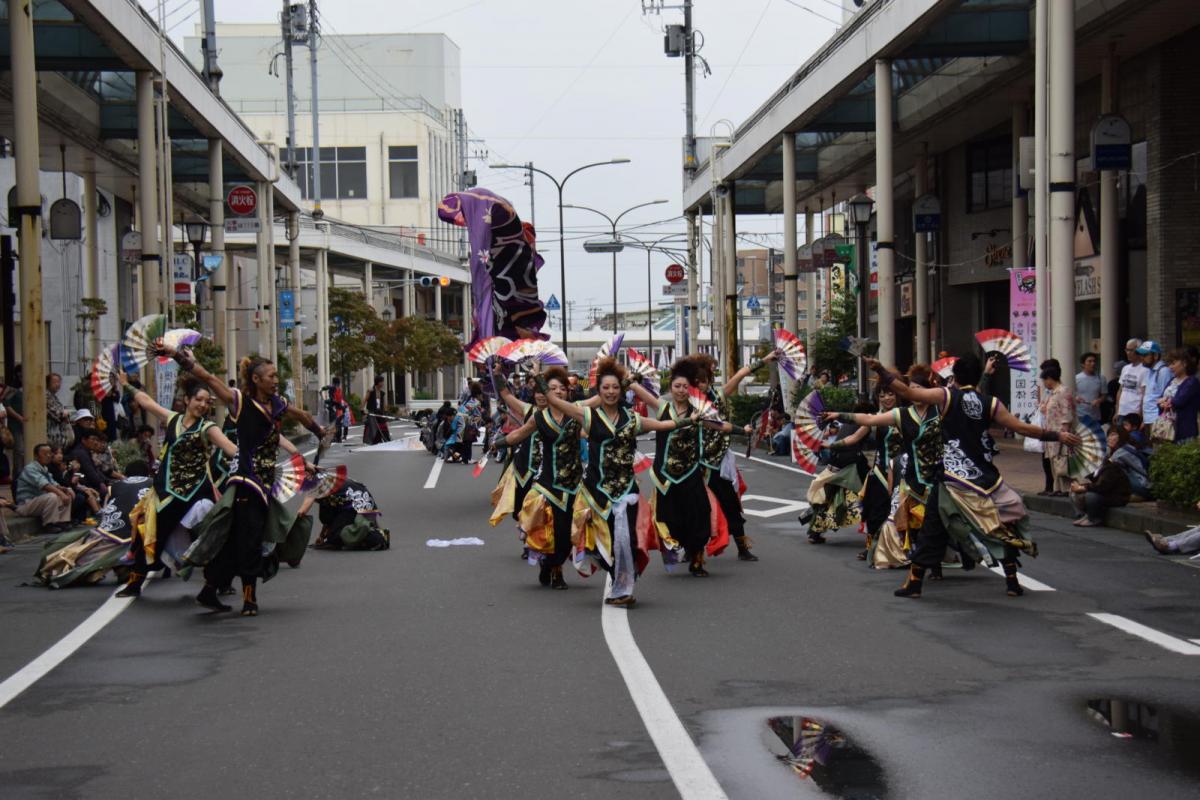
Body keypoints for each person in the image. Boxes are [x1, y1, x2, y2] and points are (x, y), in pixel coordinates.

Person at [866, 354, 1080, 599]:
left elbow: (910, 393)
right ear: (979, 376)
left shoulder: (946, 396)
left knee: (931, 529)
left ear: (954, 377)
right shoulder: (991, 403)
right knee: (1001, 526)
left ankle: (914, 582)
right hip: (985, 478)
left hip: (952, 477)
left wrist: (881, 369)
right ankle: (1012, 580)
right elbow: (1021, 428)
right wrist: (1057, 436)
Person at [167, 347, 324, 616]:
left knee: (234, 539)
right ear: (256, 379)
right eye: (271, 376)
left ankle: (209, 589)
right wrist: (179, 357)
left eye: (277, 376)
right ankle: (249, 597)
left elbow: (302, 416)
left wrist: (319, 431)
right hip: (244, 481)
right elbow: (210, 378)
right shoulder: (240, 401)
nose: (276, 380)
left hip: (264, 483)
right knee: (250, 539)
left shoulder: (276, 404)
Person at [537, 357, 692, 605]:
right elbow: (555, 401)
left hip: (626, 492)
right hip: (596, 494)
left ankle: (624, 589)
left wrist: (691, 420)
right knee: (601, 546)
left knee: (627, 540)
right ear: (599, 390)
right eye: (606, 388)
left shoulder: (633, 420)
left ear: (622, 391)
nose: (610, 392)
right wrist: (538, 376)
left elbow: (664, 424)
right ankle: (616, 580)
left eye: (615, 387)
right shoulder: (588, 416)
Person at [114, 373, 238, 598]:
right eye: (198, 399)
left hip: (197, 491)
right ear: (187, 400)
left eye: (206, 401)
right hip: (167, 490)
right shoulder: (172, 419)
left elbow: (229, 447)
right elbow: (147, 402)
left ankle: (218, 582)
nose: (203, 404)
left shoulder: (207, 427)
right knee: (149, 532)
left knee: (213, 532)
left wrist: (251, 461)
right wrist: (125, 385)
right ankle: (134, 583)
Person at [629, 358, 719, 576]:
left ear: (692, 388)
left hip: (690, 473)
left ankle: (697, 558)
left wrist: (741, 430)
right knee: (670, 519)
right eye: (677, 386)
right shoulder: (662, 408)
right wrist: (630, 381)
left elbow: (719, 425)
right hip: (665, 476)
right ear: (671, 387)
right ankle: (680, 546)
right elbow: (642, 393)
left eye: (685, 386)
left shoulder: (700, 412)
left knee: (699, 516)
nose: (681, 390)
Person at [502, 366, 585, 589]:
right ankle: (554, 569)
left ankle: (552, 564)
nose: (557, 392)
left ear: (568, 392)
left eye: (561, 388)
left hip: (574, 484)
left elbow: (600, 408)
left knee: (570, 532)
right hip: (549, 484)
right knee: (553, 530)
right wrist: (499, 443)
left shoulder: (577, 413)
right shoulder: (540, 418)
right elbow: (519, 434)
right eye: (552, 388)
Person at [689, 352, 766, 562]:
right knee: (695, 508)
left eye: (704, 381)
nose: (701, 386)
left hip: (719, 462)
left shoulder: (719, 396)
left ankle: (742, 547)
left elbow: (741, 373)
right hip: (696, 463)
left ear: (709, 381)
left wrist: (767, 359)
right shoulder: (688, 404)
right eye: (696, 382)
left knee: (730, 504)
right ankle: (692, 550)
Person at [35, 461, 155, 588]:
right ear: (146, 473)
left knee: (86, 552)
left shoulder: (115, 486)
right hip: (139, 533)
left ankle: (63, 570)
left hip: (107, 532)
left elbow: (105, 511)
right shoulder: (154, 484)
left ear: (126, 473)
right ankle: (124, 567)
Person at [804, 402, 871, 545]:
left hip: (835, 461)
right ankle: (873, 531)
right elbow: (863, 441)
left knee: (828, 497)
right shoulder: (865, 422)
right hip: (851, 463)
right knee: (868, 495)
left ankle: (815, 532)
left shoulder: (848, 422)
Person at [1070, 428, 1133, 528]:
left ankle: (1094, 518)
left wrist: (1083, 487)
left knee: (1090, 496)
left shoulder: (1111, 465)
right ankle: (1086, 515)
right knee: (1074, 491)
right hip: (1104, 492)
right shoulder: (1097, 466)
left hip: (1116, 496)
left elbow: (1102, 486)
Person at [309, 479, 390, 551]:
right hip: (353, 505)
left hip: (358, 506)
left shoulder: (320, 489)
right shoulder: (325, 485)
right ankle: (368, 533)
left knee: (335, 537)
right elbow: (330, 518)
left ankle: (377, 537)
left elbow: (305, 511)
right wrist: (322, 537)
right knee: (332, 536)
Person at [13, 443, 74, 532]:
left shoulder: (44, 468)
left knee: (66, 493)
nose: (49, 456)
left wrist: (65, 489)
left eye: (50, 453)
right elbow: (45, 485)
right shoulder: (30, 468)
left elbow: (53, 484)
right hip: (26, 504)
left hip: (38, 501)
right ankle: (49, 524)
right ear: (36, 456)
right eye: (45, 454)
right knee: (52, 496)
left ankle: (62, 522)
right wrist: (60, 493)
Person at [1038, 359, 1075, 497]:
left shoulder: (1062, 391)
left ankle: (1065, 489)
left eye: (1044, 380)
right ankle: (1057, 488)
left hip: (1060, 432)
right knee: (1055, 460)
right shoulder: (1053, 393)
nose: (1044, 383)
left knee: (1062, 460)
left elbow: (1067, 414)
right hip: (1051, 432)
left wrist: (1064, 433)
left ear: (1049, 379)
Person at [1155, 348, 1200, 443]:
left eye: (1173, 363)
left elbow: (1179, 401)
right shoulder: (1172, 381)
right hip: (1168, 429)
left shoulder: (1192, 382)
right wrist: (1163, 402)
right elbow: (1159, 401)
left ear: (1184, 363)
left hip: (1184, 430)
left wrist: (1166, 401)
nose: (1170, 367)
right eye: (1169, 364)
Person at [443, 382, 485, 464]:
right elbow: (477, 416)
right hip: (467, 424)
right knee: (468, 443)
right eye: (481, 395)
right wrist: (475, 427)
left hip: (460, 423)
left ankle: (461, 458)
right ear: (478, 395)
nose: (482, 397)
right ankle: (467, 459)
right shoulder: (476, 403)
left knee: (464, 443)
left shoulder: (469, 400)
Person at [67, 429, 112, 498]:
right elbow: (90, 473)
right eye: (93, 439)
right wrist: (101, 483)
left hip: (89, 482)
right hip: (82, 484)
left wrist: (107, 481)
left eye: (96, 440)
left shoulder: (87, 451)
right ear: (84, 440)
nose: (95, 442)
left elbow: (96, 471)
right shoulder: (81, 452)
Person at [1114, 339, 1147, 424]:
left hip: (1134, 413)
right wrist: (1117, 410)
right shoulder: (1125, 368)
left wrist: (1140, 414)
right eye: (1126, 350)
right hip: (1122, 412)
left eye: (1130, 350)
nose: (1128, 353)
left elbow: (1144, 394)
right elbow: (1120, 390)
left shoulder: (1145, 370)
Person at [1138, 340, 1171, 427]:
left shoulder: (1163, 371)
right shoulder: (1149, 371)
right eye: (1141, 355)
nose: (1141, 358)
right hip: (1148, 419)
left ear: (1155, 356)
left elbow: (1166, 396)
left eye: (1145, 355)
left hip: (1158, 419)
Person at [1074, 353, 1106, 423]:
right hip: (1080, 415)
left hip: (1095, 416)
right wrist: (1076, 398)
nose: (1093, 363)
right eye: (1089, 361)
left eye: (1094, 361)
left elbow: (1104, 395)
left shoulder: (1101, 378)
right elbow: (1071, 394)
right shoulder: (1076, 378)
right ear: (1083, 364)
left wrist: (1098, 400)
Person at [44, 373, 73, 450]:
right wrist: (63, 413)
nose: (58, 384)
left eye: (59, 382)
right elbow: (56, 413)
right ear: (48, 383)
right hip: (51, 430)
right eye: (55, 382)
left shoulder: (53, 396)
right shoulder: (46, 395)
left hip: (57, 430)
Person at [363, 375, 391, 445]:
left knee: (383, 425)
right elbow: (365, 400)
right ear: (378, 382)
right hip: (372, 412)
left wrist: (385, 412)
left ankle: (387, 440)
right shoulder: (371, 391)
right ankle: (373, 441)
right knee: (373, 427)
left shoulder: (382, 393)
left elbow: (383, 404)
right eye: (382, 382)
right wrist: (362, 410)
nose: (383, 383)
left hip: (380, 412)